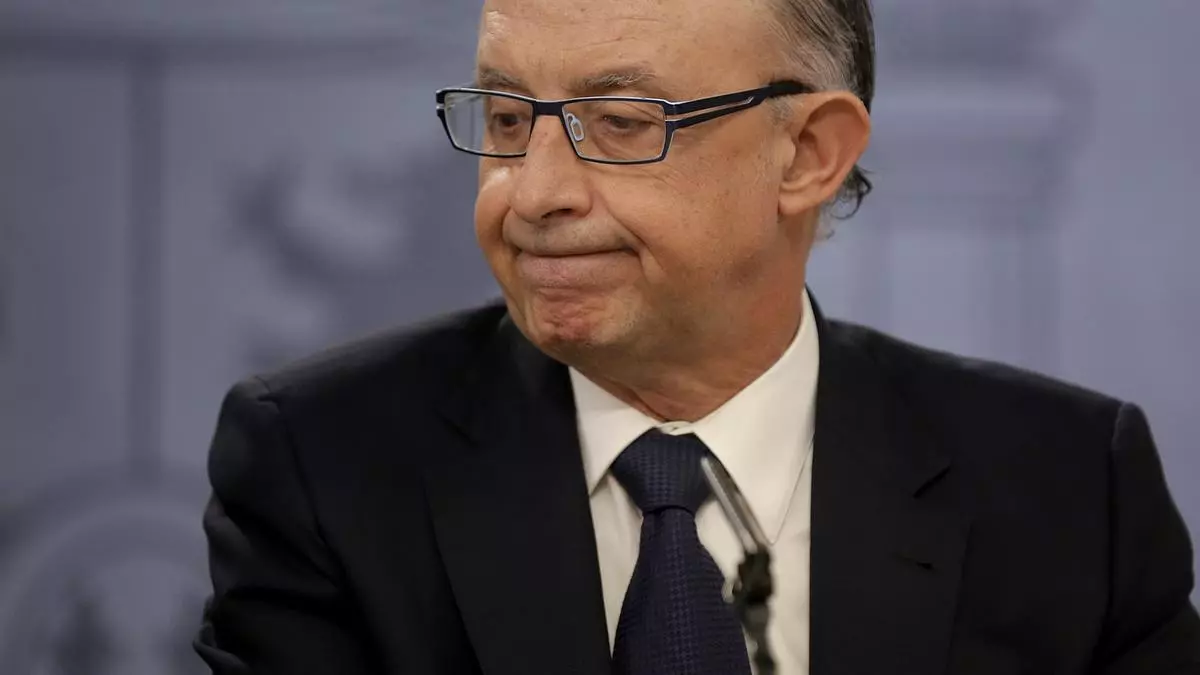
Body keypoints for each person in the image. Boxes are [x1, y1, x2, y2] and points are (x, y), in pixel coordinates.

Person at [194, 0, 1200, 672]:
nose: (534, 194)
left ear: (808, 155)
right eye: (506, 119)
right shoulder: (324, 463)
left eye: (621, 122)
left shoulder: (1070, 486)